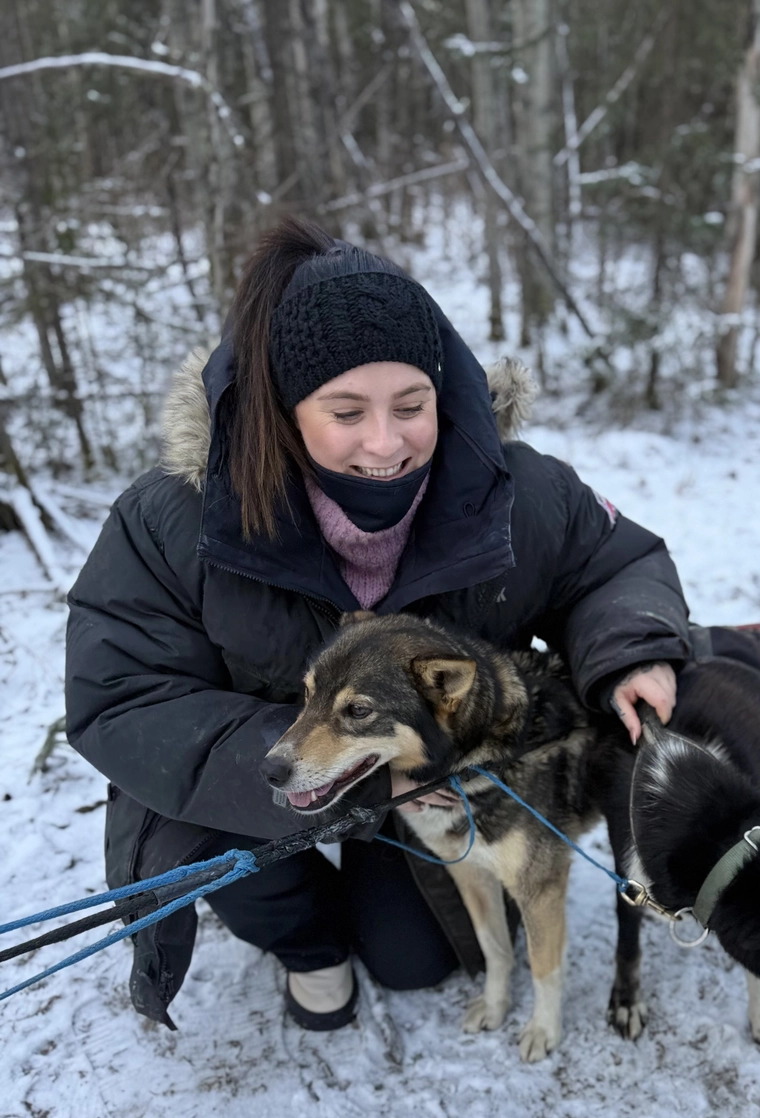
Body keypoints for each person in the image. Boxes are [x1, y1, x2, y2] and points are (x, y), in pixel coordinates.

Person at [65, 219, 690, 1032]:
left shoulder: (509, 488)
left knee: (414, 962)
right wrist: (338, 768)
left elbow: (614, 564)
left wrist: (632, 650)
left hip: (419, 772)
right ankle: (306, 943)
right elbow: (123, 698)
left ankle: (376, 900)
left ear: (445, 393)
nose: (385, 443)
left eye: (411, 404)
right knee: (243, 861)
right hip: (243, 774)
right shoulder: (174, 519)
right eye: (346, 410)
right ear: (285, 411)